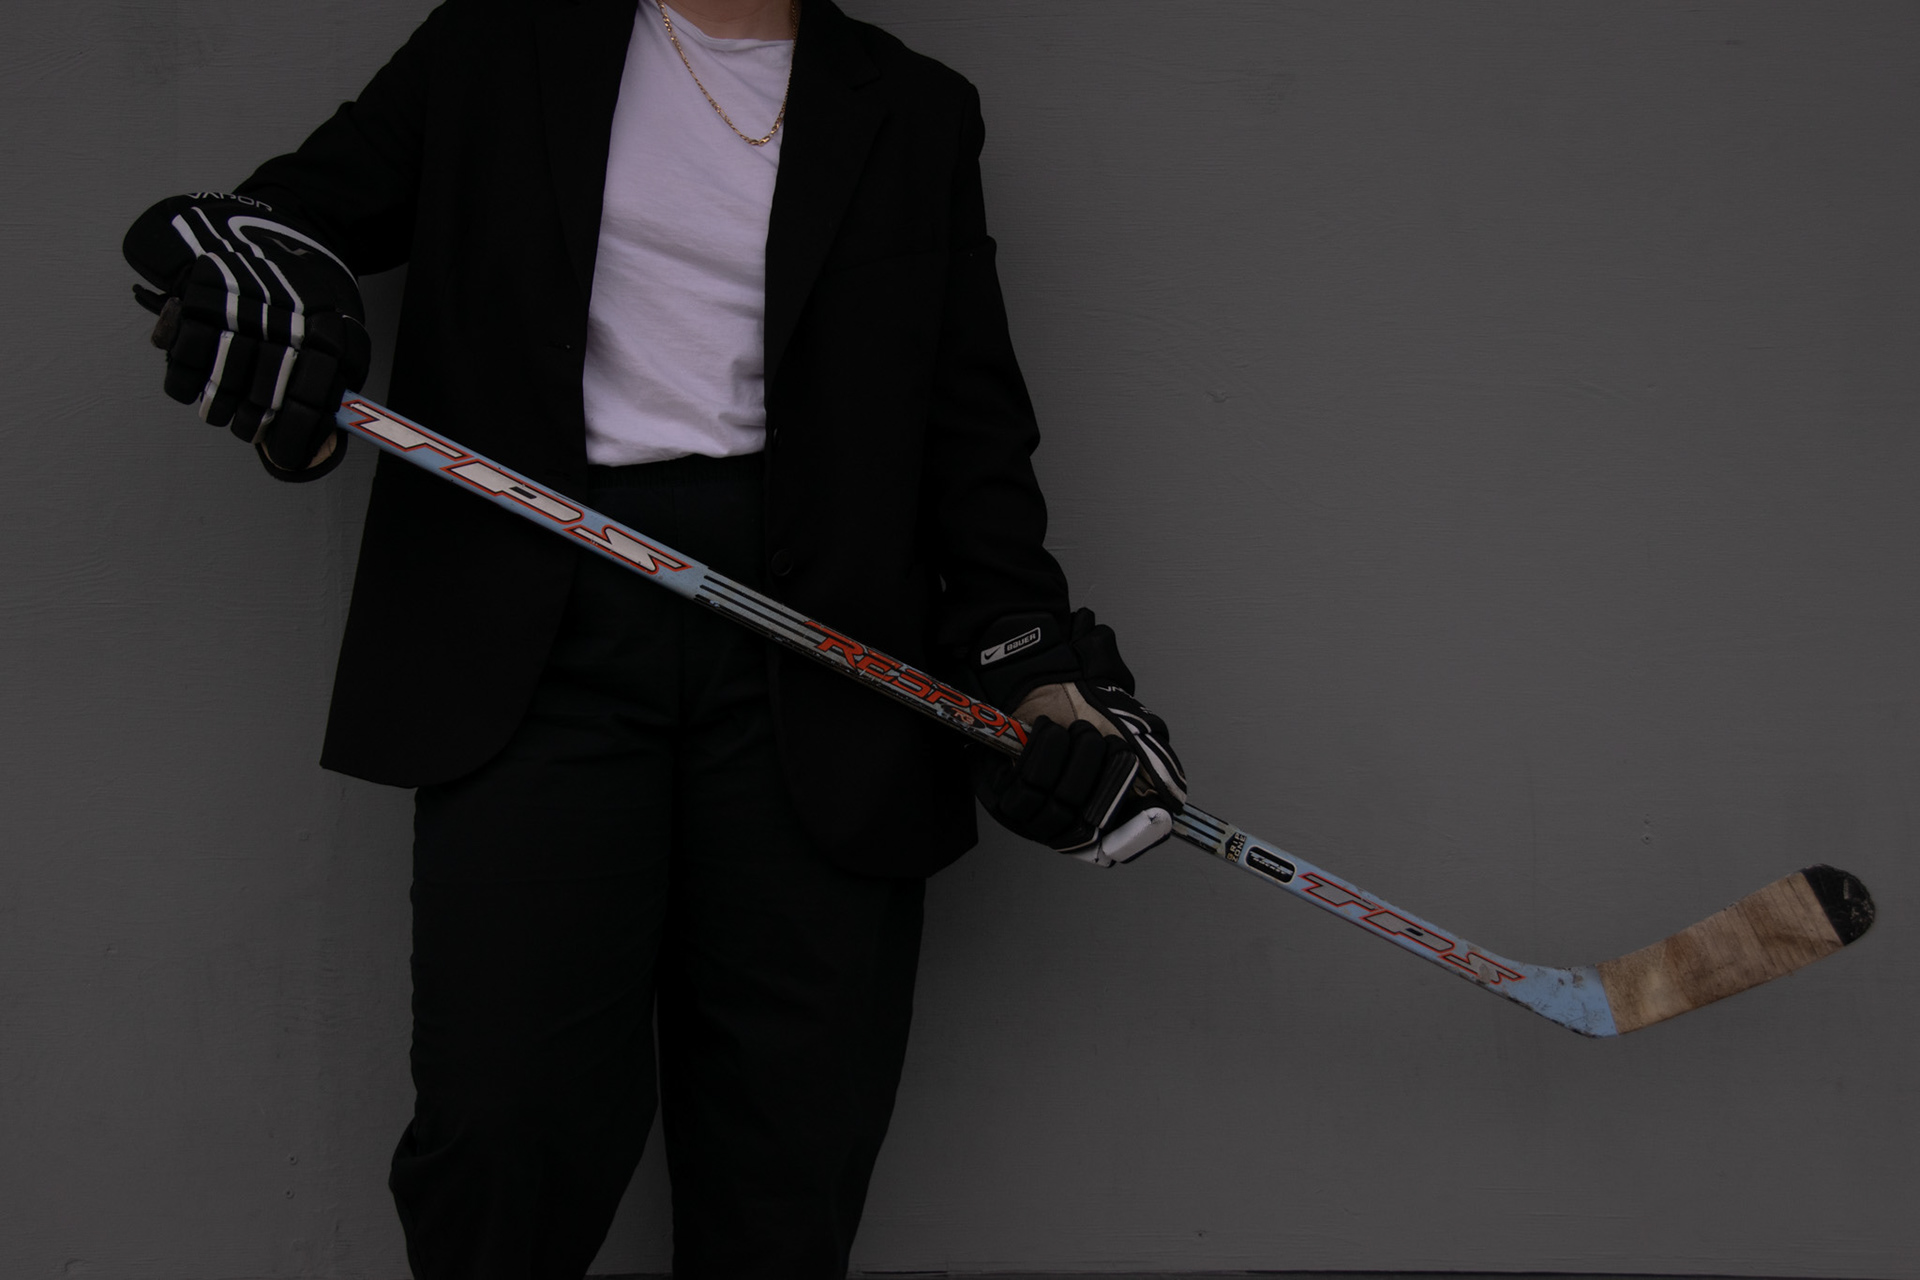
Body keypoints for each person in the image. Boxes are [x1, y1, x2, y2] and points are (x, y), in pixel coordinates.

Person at [122, 1, 1185, 1276]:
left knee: (791, 1159)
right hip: (540, 644)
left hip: (822, 669)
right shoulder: (497, 41)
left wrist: (1044, 676)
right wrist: (249, 286)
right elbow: (287, 224)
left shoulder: (915, 108)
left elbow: (973, 438)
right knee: (504, 1130)